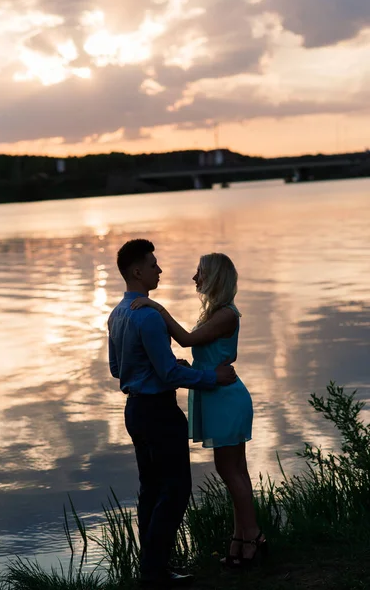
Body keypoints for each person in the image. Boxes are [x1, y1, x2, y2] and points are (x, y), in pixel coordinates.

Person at [108, 240, 237, 588]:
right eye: (153, 264)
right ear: (137, 271)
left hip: (134, 410)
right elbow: (168, 375)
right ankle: (155, 571)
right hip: (159, 412)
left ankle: (151, 569)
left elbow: (117, 368)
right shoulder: (148, 316)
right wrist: (213, 377)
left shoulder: (117, 314)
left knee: (150, 489)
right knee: (176, 489)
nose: (159, 269)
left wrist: (160, 369)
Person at [131, 252, 267, 569]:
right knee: (234, 472)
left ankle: (253, 538)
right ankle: (240, 541)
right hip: (216, 394)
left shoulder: (227, 315)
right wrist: (189, 369)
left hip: (226, 399)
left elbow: (186, 339)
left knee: (230, 471)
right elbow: (204, 353)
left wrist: (157, 307)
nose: (195, 278)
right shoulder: (216, 314)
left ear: (216, 277)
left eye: (200, 272)